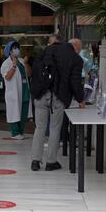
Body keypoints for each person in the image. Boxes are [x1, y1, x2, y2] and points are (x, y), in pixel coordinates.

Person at [31, 38, 85, 171]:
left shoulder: (48, 50)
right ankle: (51, 162)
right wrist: (81, 100)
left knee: (39, 127)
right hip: (58, 96)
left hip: (40, 93)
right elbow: (75, 82)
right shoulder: (75, 59)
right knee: (55, 128)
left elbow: (35, 69)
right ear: (76, 47)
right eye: (80, 49)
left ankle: (35, 161)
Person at [1, 41, 31, 140]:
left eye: (17, 48)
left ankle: (21, 132)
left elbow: (29, 74)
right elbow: (7, 77)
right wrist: (13, 66)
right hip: (13, 93)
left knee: (23, 113)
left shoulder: (21, 61)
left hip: (24, 91)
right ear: (9, 51)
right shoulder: (6, 64)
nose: (16, 50)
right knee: (14, 112)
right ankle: (14, 133)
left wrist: (26, 63)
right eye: (14, 48)